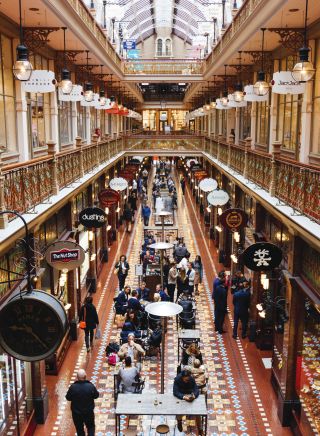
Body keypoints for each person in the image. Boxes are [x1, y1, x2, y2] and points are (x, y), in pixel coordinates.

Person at [66, 369, 99, 436]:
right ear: (85, 376)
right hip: (88, 412)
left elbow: (68, 397)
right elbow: (96, 395)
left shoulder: (73, 387)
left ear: (77, 377)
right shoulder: (90, 386)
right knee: (90, 427)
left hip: (76, 414)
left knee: (79, 429)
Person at [173, 370, 201, 434]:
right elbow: (175, 392)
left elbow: (196, 389)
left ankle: (200, 429)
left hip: (190, 396)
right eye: (185, 380)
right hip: (181, 397)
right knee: (179, 411)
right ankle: (179, 422)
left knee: (198, 412)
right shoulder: (177, 379)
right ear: (182, 377)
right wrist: (184, 397)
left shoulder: (191, 379)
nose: (187, 381)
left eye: (188, 380)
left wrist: (194, 395)